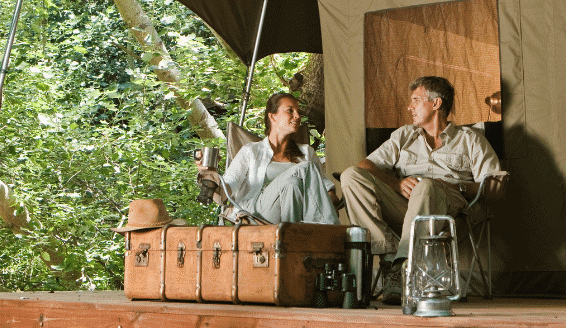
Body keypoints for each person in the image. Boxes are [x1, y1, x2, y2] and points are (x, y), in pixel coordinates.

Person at [339, 76, 501, 304]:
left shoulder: (470, 140)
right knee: (351, 176)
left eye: (416, 100)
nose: (409, 106)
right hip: (403, 207)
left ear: (436, 104)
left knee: (426, 186)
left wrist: (453, 186)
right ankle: (391, 259)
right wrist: (396, 184)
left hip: (447, 213)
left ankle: (405, 263)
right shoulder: (404, 135)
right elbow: (365, 165)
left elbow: (494, 188)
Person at [199, 92, 339, 225]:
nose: (297, 116)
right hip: (257, 213)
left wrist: (329, 200)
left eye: (298, 112)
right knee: (306, 167)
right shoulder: (251, 151)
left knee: (293, 183)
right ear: (272, 116)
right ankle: (330, 232)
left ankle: (291, 238)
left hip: (297, 214)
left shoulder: (306, 152)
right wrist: (210, 175)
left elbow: (328, 191)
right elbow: (225, 192)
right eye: (290, 110)